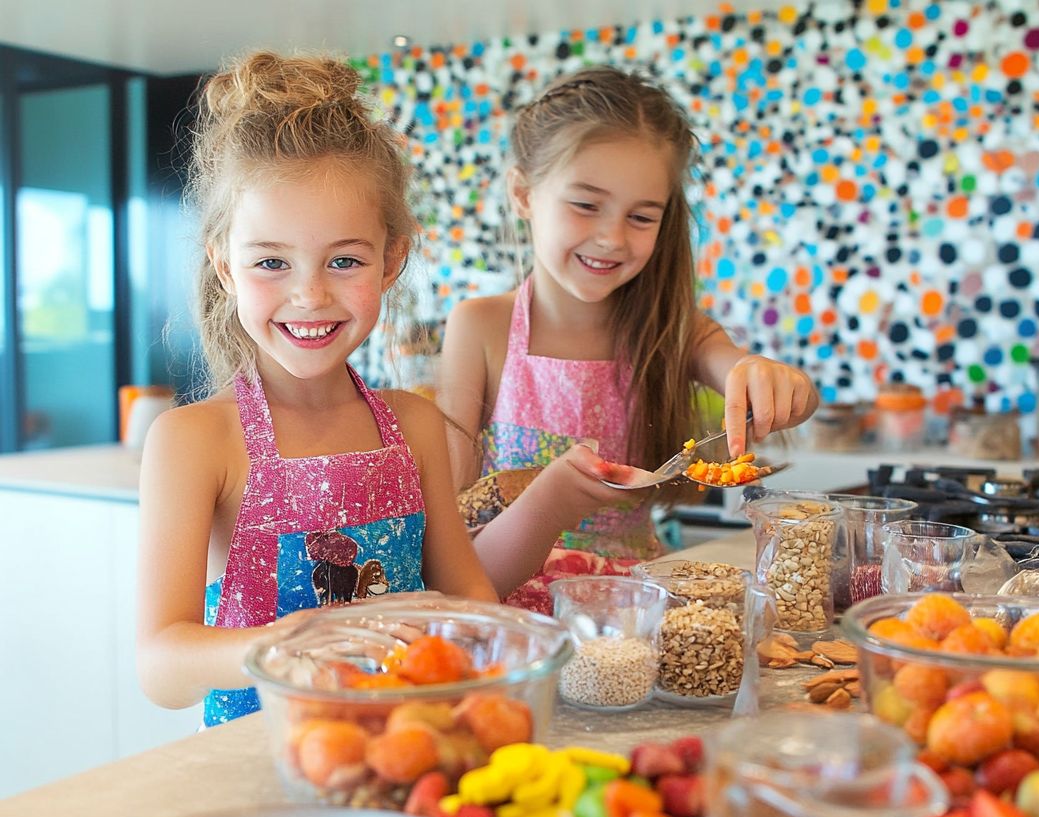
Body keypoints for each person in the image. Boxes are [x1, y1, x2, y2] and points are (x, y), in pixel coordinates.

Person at [136, 51, 496, 726]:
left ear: (392, 258)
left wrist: (461, 631)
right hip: (258, 768)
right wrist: (290, 642)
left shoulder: (415, 424)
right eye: (272, 261)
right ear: (225, 265)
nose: (310, 294)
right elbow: (161, 666)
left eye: (344, 260)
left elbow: (469, 594)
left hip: (407, 749)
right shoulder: (194, 441)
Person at [437, 66, 819, 610]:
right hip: (505, 615)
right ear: (523, 193)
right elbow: (451, 525)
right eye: (586, 205)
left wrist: (766, 376)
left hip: (634, 614)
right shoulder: (479, 326)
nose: (611, 238)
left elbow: (757, 377)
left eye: (641, 217)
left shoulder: (670, 329)